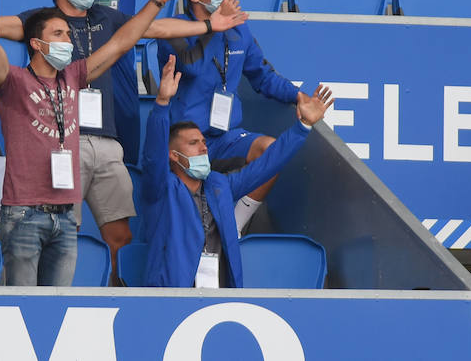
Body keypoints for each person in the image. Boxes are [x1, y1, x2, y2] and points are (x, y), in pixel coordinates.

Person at [0, 0, 246, 283]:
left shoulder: (98, 31)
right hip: (55, 157)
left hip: (106, 143)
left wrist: (202, 23)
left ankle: (114, 292)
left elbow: (139, 35)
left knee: (114, 234)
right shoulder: (35, 34)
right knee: (43, 261)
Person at [0, 0, 183, 287]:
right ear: (37, 43)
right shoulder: (13, 81)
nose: (68, 40)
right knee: (19, 306)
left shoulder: (73, 75)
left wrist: (158, 0)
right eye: (59, 33)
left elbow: (119, 44)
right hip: (23, 213)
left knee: (58, 307)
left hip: (63, 216)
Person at [141, 54, 333, 288]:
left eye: (203, 142)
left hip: (220, 297)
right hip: (171, 299)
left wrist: (303, 127)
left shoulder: (219, 185)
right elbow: (152, 156)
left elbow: (268, 163)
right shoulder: (161, 189)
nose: (203, 147)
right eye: (193, 143)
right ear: (172, 155)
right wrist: (161, 104)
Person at [156, 0, 308, 230]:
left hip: (225, 135)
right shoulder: (174, 29)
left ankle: (236, 224)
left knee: (270, 149)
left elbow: (262, 75)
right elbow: (193, 67)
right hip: (184, 139)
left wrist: (297, 95)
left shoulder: (240, 30)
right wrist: (215, 27)